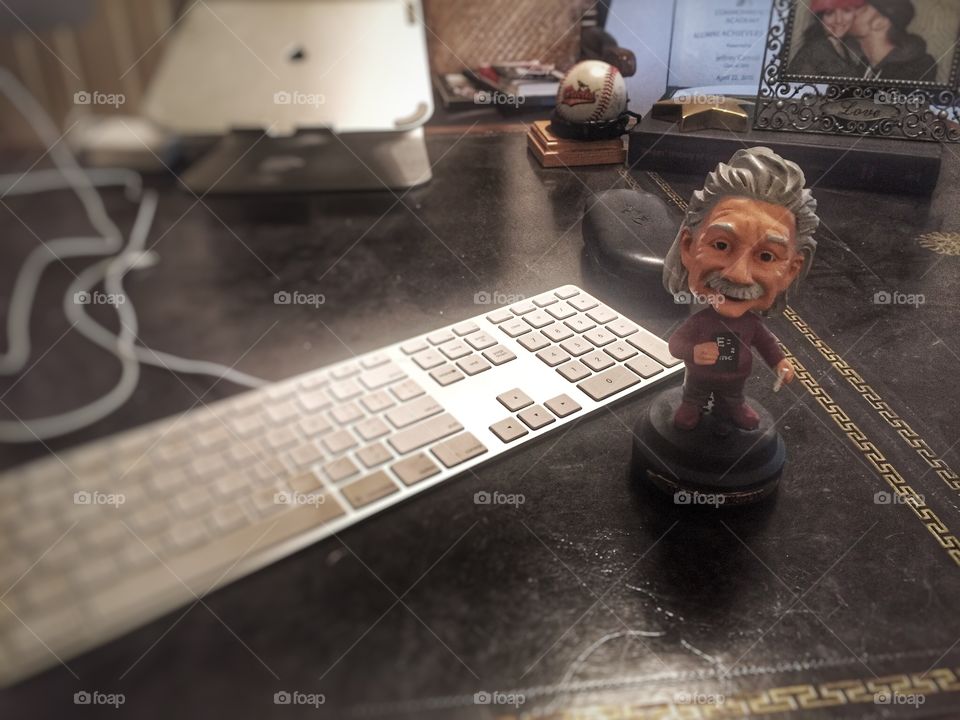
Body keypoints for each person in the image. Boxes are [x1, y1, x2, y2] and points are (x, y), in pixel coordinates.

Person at [662, 148, 820, 431]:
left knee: (733, 400)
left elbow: (767, 346)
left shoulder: (752, 326)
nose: (738, 275)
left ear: (791, 270)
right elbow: (676, 345)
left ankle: (733, 405)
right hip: (698, 379)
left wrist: (781, 363)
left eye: (767, 256)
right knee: (693, 398)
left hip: (735, 382)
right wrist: (694, 351)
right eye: (721, 245)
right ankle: (691, 404)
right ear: (688, 247)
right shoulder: (701, 322)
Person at [847, 0, 937, 81]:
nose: (846, 14)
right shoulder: (865, 65)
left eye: (859, 9)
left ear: (880, 23)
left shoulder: (917, 70)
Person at [789, 0, 867, 78]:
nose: (839, 20)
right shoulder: (815, 50)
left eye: (846, 10)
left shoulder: (840, 46)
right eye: (830, 13)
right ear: (820, 17)